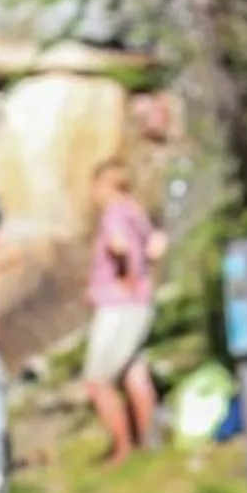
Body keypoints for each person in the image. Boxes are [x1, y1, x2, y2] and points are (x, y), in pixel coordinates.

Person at [83, 158, 168, 464]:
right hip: (141, 303)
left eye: (94, 187)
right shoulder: (137, 212)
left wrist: (126, 278)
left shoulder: (114, 214)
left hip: (118, 306)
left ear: (105, 187)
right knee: (134, 373)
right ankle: (149, 442)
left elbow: (119, 248)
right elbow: (157, 247)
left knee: (97, 381)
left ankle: (121, 450)